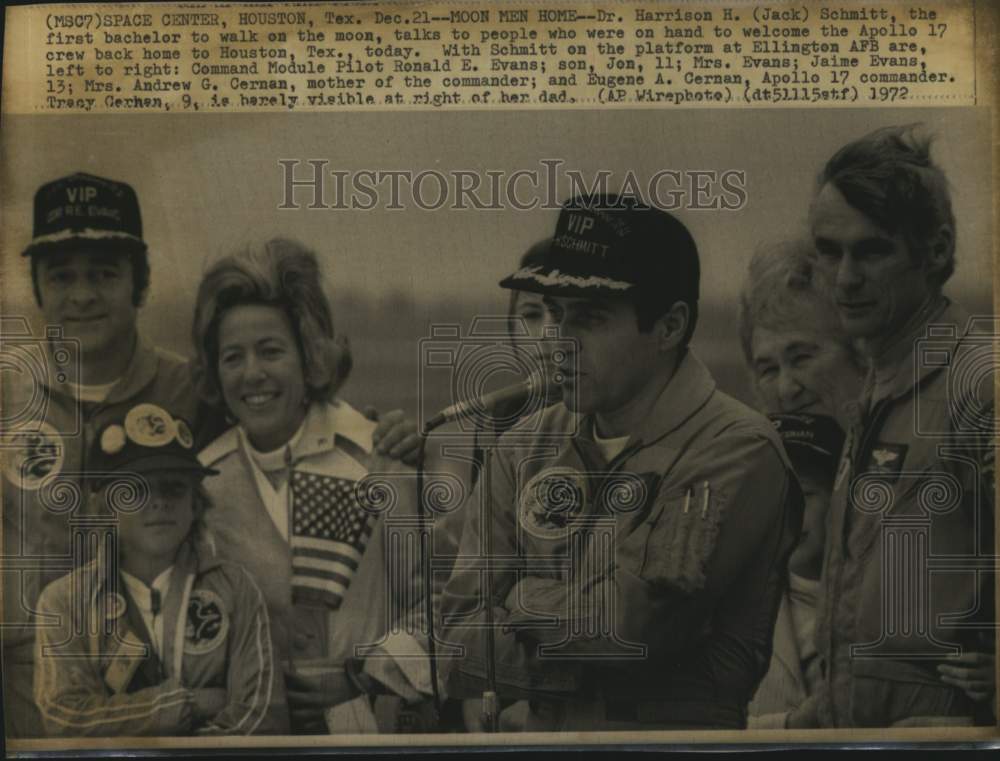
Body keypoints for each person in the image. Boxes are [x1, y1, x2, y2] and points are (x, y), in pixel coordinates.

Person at [438, 194, 803, 731]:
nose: (560, 340)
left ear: (670, 327)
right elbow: (459, 641)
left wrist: (519, 597)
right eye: (555, 314)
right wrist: (589, 650)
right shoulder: (522, 447)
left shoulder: (736, 448)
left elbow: (626, 633)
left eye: (589, 319)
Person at [794, 125, 996, 727]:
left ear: (934, 251)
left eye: (872, 250)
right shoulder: (883, 385)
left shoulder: (978, 386)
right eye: (829, 251)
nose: (845, 277)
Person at [1, 173, 215, 737]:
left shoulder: (190, 390)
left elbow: (282, 429)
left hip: (162, 687)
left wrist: (386, 433)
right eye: (62, 275)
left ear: (139, 285)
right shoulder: (7, 391)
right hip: (25, 685)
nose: (82, 295)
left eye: (104, 273)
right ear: (40, 288)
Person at [192, 238, 432, 734]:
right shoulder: (202, 485)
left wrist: (363, 676)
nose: (252, 374)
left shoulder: (380, 455)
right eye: (232, 357)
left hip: (377, 732)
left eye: (271, 351)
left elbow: (440, 603)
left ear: (309, 355)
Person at [33, 403, 287, 736]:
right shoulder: (65, 602)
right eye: (136, 490)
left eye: (174, 488)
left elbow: (263, 714)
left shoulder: (235, 589)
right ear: (105, 506)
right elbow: (64, 719)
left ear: (196, 504)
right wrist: (168, 708)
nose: (159, 502)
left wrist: (190, 749)